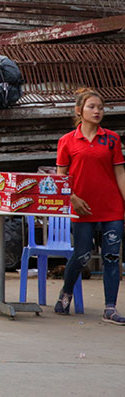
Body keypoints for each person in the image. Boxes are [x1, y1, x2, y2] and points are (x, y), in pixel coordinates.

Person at [54, 87, 125, 323]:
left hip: (112, 207)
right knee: (82, 255)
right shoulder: (67, 141)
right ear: (79, 110)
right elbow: (61, 176)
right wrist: (72, 197)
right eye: (91, 107)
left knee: (112, 256)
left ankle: (110, 308)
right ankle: (66, 292)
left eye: (100, 107)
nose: (97, 111)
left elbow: (120, 173)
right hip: (81, 208)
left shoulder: (112, 139)